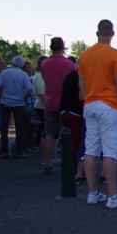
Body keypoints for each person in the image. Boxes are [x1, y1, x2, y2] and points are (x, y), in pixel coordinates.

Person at [78, 19, 117, 209]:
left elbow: (81, 86)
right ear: (112, 34)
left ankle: (93, 192)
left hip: (90, 104)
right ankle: (113, 195)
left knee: (91, 149)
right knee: (111, 150)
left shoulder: (84, 56)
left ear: (97, 34)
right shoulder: (115, 55)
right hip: (109, 104)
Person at [41, 37, 76, 174]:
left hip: (49, 101)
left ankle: (47, 163)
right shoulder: (69, 64)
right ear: (63, 47)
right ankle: (69, 161)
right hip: (65, 103)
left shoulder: (45, 64)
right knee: (68, 133)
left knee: (49, 133)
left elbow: (45, 79)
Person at [0, 55, 33, 159]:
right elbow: (29, 91)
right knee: (19, 128)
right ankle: (19, 151)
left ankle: (4, 151)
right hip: (19, 103)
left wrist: (2, 95)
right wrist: (23, 98)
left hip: (5, 102)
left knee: (4, 127)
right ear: (22, 65)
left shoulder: (4, 73)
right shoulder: (23, 75)